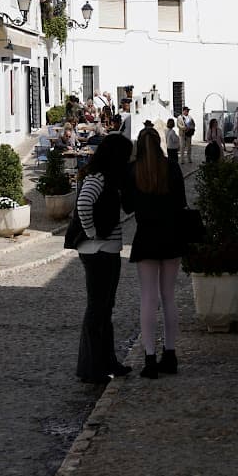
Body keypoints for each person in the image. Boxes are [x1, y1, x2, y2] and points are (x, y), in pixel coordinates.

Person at [128, 127, 187, 379]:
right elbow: (182, 202)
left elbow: (127, 206)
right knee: (168, 296)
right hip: (171, 235)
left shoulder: (134, 170)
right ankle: (170, 355)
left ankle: (150, 358)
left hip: (146, 236)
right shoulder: (171, 167)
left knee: (148, 298)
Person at [74, 135, 133, 384]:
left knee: (105, 308)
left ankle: (107, 362)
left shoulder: (108, 177)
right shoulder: (97, 177)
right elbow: (83, 203)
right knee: (97, 309)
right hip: (97, 252)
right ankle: (91, 368)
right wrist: (91, 232)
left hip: (107, 250)